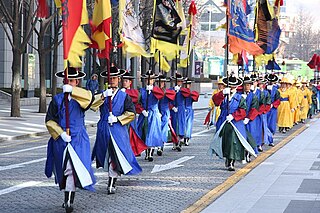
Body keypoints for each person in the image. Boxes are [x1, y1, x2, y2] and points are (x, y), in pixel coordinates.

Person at [45, 67, 95, 213]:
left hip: (78, 139)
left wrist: (73, 91)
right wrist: (60, 133)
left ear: (77, 81)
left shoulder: (81, 98)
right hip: (62, 139)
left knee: (72, 169)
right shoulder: (57, 100)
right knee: (64, 170)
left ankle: (69, 201)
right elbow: (49, 120)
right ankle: (66, 197)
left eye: (72, 81)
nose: (70, 83)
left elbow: (89, 99)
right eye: (67, 81)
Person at [91, 66, 142, 195]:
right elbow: (92, 106)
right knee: (106, 155)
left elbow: (131, 113)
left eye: (114, 78)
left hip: (118, 130)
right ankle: (110, 178)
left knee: (114, 157)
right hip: (103, 129)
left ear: (119, 79)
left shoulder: (125, 97)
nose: (112, 80)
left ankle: (111, 182)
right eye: (110, 78)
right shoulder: (103, 94)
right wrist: (102, 96)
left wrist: (118, 119)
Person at [209, 76, 256, 171]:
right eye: (230, 86)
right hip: (223, 120)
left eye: (233, 86)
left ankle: (231, 161)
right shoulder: (223, 95)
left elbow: (243, 110)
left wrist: (234, 116)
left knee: (233, 142)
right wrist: (222, 93)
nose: (231, 88)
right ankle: (227, 158)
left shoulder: (239, 97)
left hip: (235, 122)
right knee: (224, 141)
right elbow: (215, 102)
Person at [137, 70, 165, 161]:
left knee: (152, 133)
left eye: (151, 80)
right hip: (145, 114)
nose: (149, 81)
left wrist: (153, 90)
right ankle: (145, 151)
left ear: (153, 81)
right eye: (148, 80)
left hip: (154, 114)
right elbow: (138, 103)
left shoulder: (157, 90)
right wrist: (142, 111)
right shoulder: (142, 91)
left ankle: (150, 153)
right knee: (144, 133)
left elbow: (161, 95)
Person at [121, 70, 148, 156]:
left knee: (132, 132)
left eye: (126, 81)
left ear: (130, 82)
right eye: (123, 81)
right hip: (121, 115)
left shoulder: (134, 92)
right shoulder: (120, 91)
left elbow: (136, 102)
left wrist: (142, 110)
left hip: (131, 115)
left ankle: (133, 149)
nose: (124, 83)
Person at [157, 74, 176, 155]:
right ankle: (157, 144)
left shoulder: (167, 91)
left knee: (163, 129)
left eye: (162, 82)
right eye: (159, 82)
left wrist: (172, 107)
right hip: (156, 111)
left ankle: (161, 145)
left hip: (165, 112)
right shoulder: (154, 91)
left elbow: (171, 101)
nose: (161, 84)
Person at [170, 73, 188, 151]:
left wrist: (180, 90)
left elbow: (188, 94)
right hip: (174, 109)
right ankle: (174, 142)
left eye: (180, 81)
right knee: (174, 125)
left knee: (181, 125)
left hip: (181, 109)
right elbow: (168, 100)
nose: (179, 83)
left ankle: (179, 141)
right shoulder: (171, 90)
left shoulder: (183, 90)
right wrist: (172, 107)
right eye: (178, 81)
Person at [184, 77, 199, 146]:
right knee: (182, 124)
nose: (188, 86)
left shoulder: (191, 93)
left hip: (189, 110)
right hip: (182, 110)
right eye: (186, 84)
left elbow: (195, 98)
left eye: (189, 84)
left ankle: (187, 138)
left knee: (188, 124)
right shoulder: (182, 92)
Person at [266, 74, 280, 143]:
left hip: (272, 109)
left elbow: (278, 100)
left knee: (271, 124)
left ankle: (270, 139)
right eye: (269, 81)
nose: (270, 82)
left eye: (272, 81)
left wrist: (272, 105)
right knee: (265, 124)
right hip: (265, 109)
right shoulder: (264, 89)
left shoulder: (276, 90)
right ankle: (265, 139)